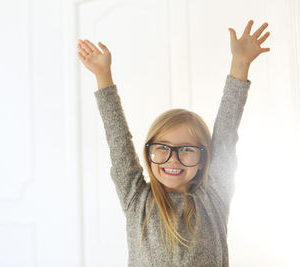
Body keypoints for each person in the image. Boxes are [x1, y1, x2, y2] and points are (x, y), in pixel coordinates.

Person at [77, 19, 270, 266]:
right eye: (162, 148)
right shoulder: (137, 198)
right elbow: (118, 139)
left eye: (187, 150)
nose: (173, 159)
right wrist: (103, 75)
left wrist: (240, 64)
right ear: (148, 154)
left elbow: (225, 135)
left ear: (203, 160)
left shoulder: (214, 198)